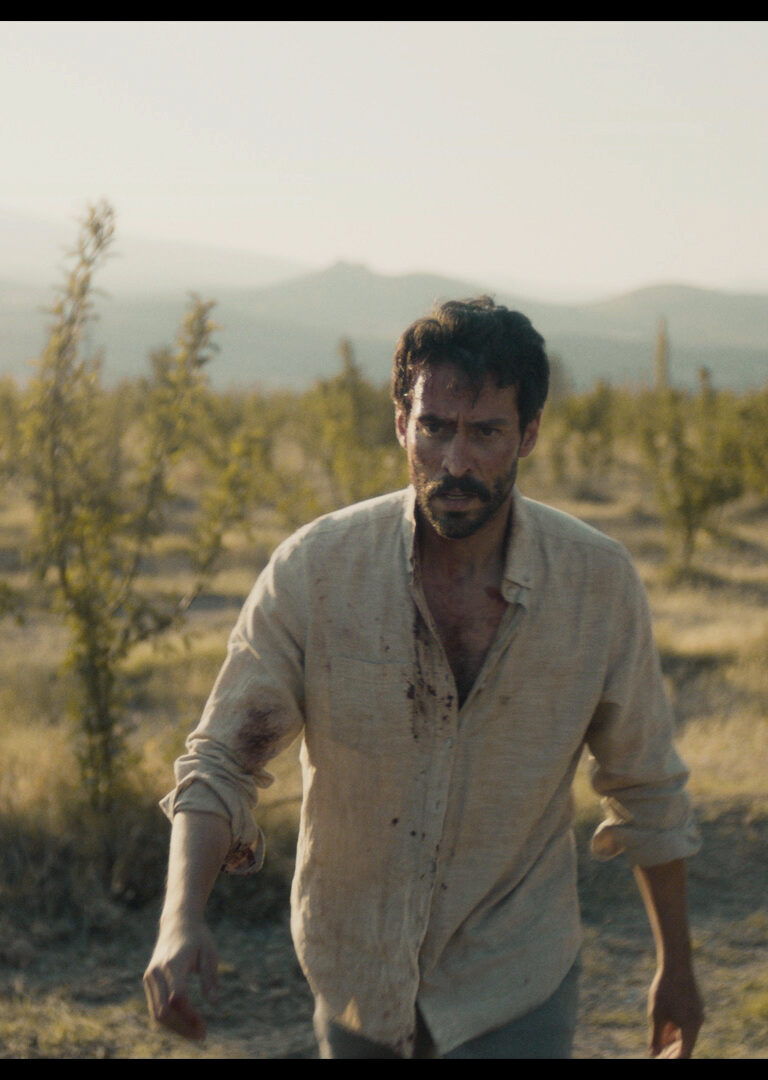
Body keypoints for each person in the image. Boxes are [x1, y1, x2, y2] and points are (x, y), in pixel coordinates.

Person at [143, 296, 704, 1059]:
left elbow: (647, 786)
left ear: (529, 434)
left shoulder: (595, 583)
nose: (456, 462)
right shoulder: (318, 571)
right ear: (402, 423)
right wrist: (180, 920)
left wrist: (677, 967)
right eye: (436, 427)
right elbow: (219, 762)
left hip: (516, 979)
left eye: (486, 432)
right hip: (355, 973)